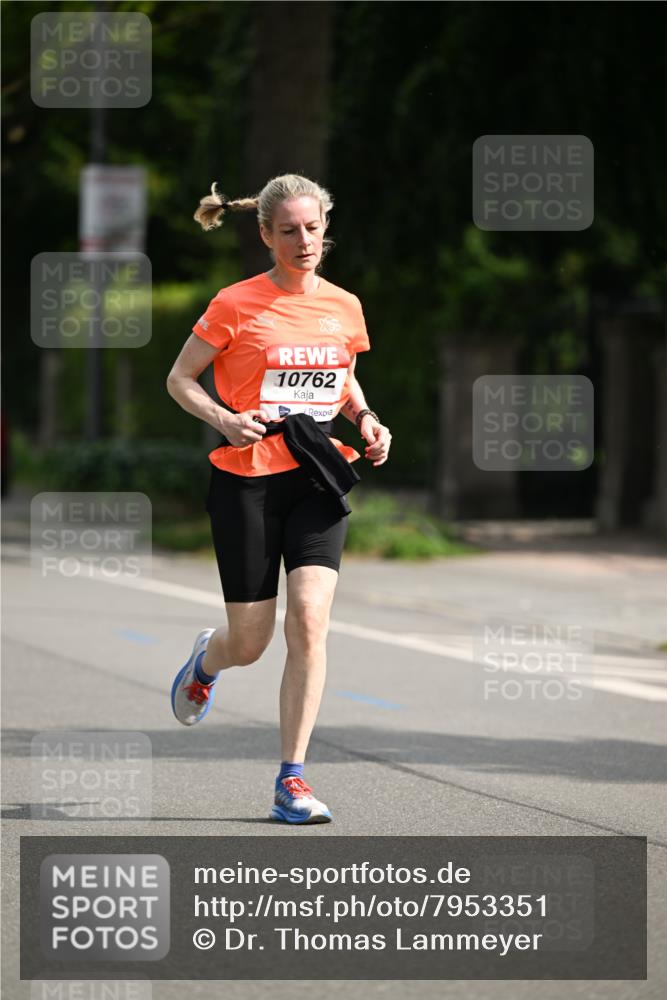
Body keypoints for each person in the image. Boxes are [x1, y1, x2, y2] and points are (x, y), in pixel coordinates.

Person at [166, 173, 391, 823]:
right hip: (248, 477)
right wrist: (222, 418)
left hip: (318, 473)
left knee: (311, 622)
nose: (302, 240)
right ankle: (208, 661)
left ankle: (291, 780)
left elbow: (342, 375)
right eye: (288, 230)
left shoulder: (343, 305)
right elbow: (180, 378)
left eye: (312, 228)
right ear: (265, 235)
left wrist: (367, 418)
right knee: (251, 643)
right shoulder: (235, 303)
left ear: (325, 229)